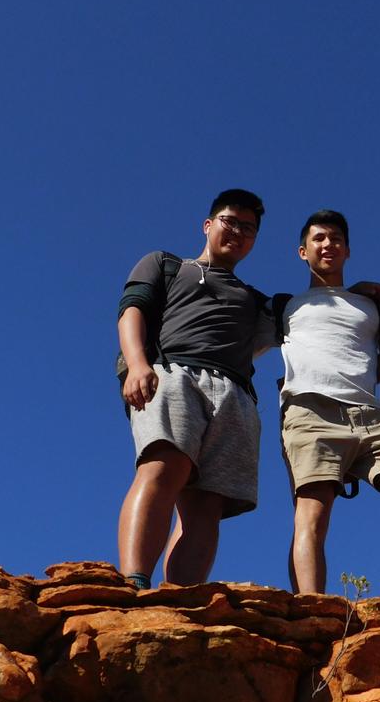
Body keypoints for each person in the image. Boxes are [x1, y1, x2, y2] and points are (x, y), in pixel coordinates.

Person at [279, 210, 380, 599]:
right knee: (312, 516)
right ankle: (312, 611)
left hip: (371, 416)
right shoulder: (285, 307)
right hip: (311, 410)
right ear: (302, 251)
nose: (328, 244)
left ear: (348, 250)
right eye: (319, 239)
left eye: (336, 239)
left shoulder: (370, 306)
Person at [116, 188, 272, 590]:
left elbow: (310, 314)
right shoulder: (166, 264)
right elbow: (132, 310)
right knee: (164, 468)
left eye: (248, 229)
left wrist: (363, 292)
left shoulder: (258, 301)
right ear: (207, 225)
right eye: (229, 222)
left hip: (236, 392)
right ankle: (134, 583)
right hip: (174, 373)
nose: (237, 232)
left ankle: (180, 601)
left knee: (207, 502)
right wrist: (137, 364)